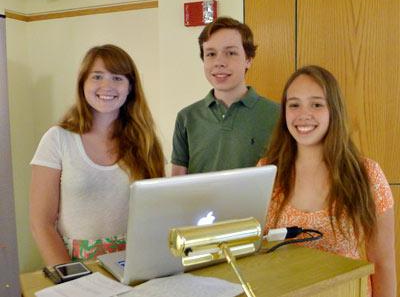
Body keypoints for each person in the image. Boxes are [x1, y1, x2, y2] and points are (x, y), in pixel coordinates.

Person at [259, 65, 396, 297]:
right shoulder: (265, 172)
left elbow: (382, 264)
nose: (304, 114)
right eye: (294, 105)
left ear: (334, 110)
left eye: (316, 104)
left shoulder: (367, 174)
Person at [30, 44, 165, 266]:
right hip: (75, 264)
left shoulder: (146, 141)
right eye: (97, 76)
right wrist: (70, 278)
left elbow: (157, 211)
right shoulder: (57, 139)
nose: (107, 85)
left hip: (135, 261)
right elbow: (41, 223)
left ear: (130, 87)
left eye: (117, 78)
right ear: (83, 83)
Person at [171, 16, 279, 175]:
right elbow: (177, 182)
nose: (219, 62)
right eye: (211, 54)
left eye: (230, 53)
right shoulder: (186, 117)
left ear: (248, 60)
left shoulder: (278, 115)